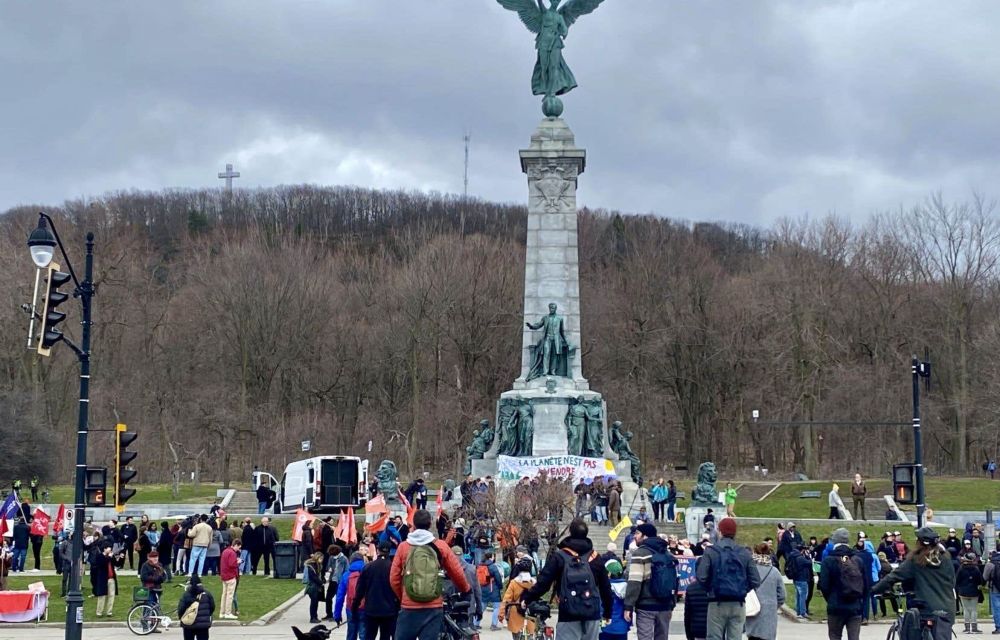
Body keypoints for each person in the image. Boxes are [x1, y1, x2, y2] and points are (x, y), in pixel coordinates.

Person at [522, 517, 613, 640]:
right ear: (586, 534)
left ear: (570, 532)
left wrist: (527, 599)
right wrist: (608, 612)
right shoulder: (595, 558)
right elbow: (606, 588)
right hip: (592, 614)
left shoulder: (560, 556)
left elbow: (544, 583)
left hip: (568, 614)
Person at [389, 509, 471, 640]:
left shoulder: (404, 547)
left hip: (409, 607)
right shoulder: (441, 546)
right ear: (430, 524)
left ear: (413, 525)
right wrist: (465, 589)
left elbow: (394, 578)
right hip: (433, 607)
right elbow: (457, 572)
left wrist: (404, 595)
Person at [873, 526, 956, 640]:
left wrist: (872, 590)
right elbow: (952, 581)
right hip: (947, 609)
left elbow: (893, 577)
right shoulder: (945, 558)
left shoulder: (916, 560)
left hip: (927, 609)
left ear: (920, 543)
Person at [695, 518, 759, 640]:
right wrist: (742, 589)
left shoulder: (711, 551)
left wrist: (711, 589)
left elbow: (701, 577)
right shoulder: (744, 553)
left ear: (720, 532)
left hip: (716, 601)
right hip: (738, 603)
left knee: (714, 637)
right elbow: (756, 580)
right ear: (735, 533)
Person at [623, 523, 676, 640]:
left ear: (645, 536)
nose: (634, 537)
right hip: (665, 605)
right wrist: (672, 604)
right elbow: (674, 580)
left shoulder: (640, 554)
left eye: (637, 533)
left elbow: (634, 582)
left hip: (646, 606)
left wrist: (628, 606)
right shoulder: (667, 554)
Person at [819, 528, 868, 640]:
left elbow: (824, 585)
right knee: (854, 637)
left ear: (834, 541)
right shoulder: (857, 560)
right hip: (855, 606)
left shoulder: (829, 560)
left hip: (835, 606)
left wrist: (831, 599)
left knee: (835, 636)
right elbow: (865, 585)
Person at [355, 542, 399, 640]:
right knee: (385, 636)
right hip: (389, 609)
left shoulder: (368, 567)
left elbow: (360, 589)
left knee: (369, 635)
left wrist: (355, 605)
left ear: (378, 551)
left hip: (371, 608)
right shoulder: (393, 568)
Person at [744, 543, 784, 640]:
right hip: (769, 612)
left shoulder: (749, 570)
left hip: (753, 610)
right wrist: (774, 604)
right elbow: (782, 595)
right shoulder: (775, 572)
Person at [335, 552, 368, 640]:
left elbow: (340, 597)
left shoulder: (346, 575)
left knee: (351, 633)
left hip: (351, 608)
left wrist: (337, 615)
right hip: (365, 608)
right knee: (364, 634)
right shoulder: (368, 573)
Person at [178, 574, 215, 640]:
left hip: (188, 624)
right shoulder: (207, 594)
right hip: (203, 625)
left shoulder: (186, 595)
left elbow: (181, 609)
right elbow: (212, 607)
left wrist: (181, 618)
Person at [955, 551, 985, 634]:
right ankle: (974, 628)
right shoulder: (976, 569)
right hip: (974, 591)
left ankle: (967, 628)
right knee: (974, 610)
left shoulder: (961, 568)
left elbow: (957, 580)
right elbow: (980, 580)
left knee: (966, 609)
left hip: (963, 591)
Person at [479, 551, 505, 631]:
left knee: (482, 606)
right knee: (496, 607)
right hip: (493, 588)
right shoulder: (493, 566)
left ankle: (475, 623)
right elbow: (498, 578)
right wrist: (500, 587)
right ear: (491, 557)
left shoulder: (480, 565)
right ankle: (494, 625)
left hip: (483, 588)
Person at [785, 544, 813, 619]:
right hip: (802, 579)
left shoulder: (793, 556)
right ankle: (802, 612)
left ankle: (798, 611)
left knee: (798, 595)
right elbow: (809, 563)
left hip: (796, 578)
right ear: (802, 550)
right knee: (803, 596)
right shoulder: (800, 558)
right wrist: (808, 556)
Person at [92, 544, 119, 618]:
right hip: (103, 579)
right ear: (104, 549)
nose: (110, 550)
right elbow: (102, 564)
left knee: (111, 596)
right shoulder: (100, 556)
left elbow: (116, 564)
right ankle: (99, 612)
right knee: (102, 596)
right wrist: (109, 557)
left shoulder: (110, 556)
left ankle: (109, 612)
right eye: (108, 549)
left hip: (111, 578)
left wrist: (119, 558)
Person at [684, 564, 709, 640]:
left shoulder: (691, 588)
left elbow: (687, 616)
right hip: (714, 630)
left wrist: (689, 636)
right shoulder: (715, 586)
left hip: (697, 630)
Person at [324, 544, 348, 621]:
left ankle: (338, 615)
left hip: (339, 581)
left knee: (338, 599)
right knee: (328, 598)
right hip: (332, 580)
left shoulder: (344, 559)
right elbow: (328, 566)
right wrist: (329, 569)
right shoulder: (331, 558)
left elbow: (347, 570)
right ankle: (329, 614)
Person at [219, 538, 240, 619]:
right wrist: (237, 562)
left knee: (224, 594)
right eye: (239, 547)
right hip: (230, 576)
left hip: (224, 576)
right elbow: (232, 564)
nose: (238, 549)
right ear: (236, 545)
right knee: (230, 595)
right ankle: (228, 613)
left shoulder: (225, 551)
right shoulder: (232, 553)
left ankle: (222, 612)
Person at [304, 551, 326, 624]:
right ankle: (312, 617)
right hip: (313, 586)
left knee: (315, 602)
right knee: (314, 602)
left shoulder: (318, 565)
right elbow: (313, 577)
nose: (322, 560)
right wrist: (321, 583)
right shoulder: (311, 566)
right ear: (317, 557)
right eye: (321, 558)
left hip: (316, 585)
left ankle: (315, 616)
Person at [982, 545, 1000, 635]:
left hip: (995, 588)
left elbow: (984, 577)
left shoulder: (990, 564)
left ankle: (998, 627)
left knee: (997, 608)